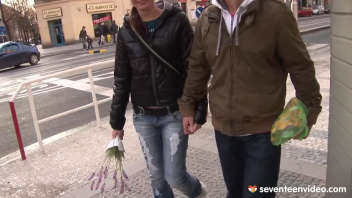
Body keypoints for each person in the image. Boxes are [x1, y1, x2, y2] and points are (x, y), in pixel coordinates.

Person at [178, 0, 322, 198]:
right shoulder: (209, 17)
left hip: (262, 133)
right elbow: (198, 67)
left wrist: (308, 111)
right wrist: (188, 106)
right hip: (224, 131)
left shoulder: (275, 14)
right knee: (235, 192)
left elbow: (300, 66)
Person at [109, 0, 207, 197]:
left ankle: (198, 191)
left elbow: (194, 68)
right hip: (143, 118)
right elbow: (121, 79)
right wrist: (116, 122)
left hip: (174, 114)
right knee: (157, 179)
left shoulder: (177, 21)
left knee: (174, 177)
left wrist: (198, 109)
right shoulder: (126, 31)